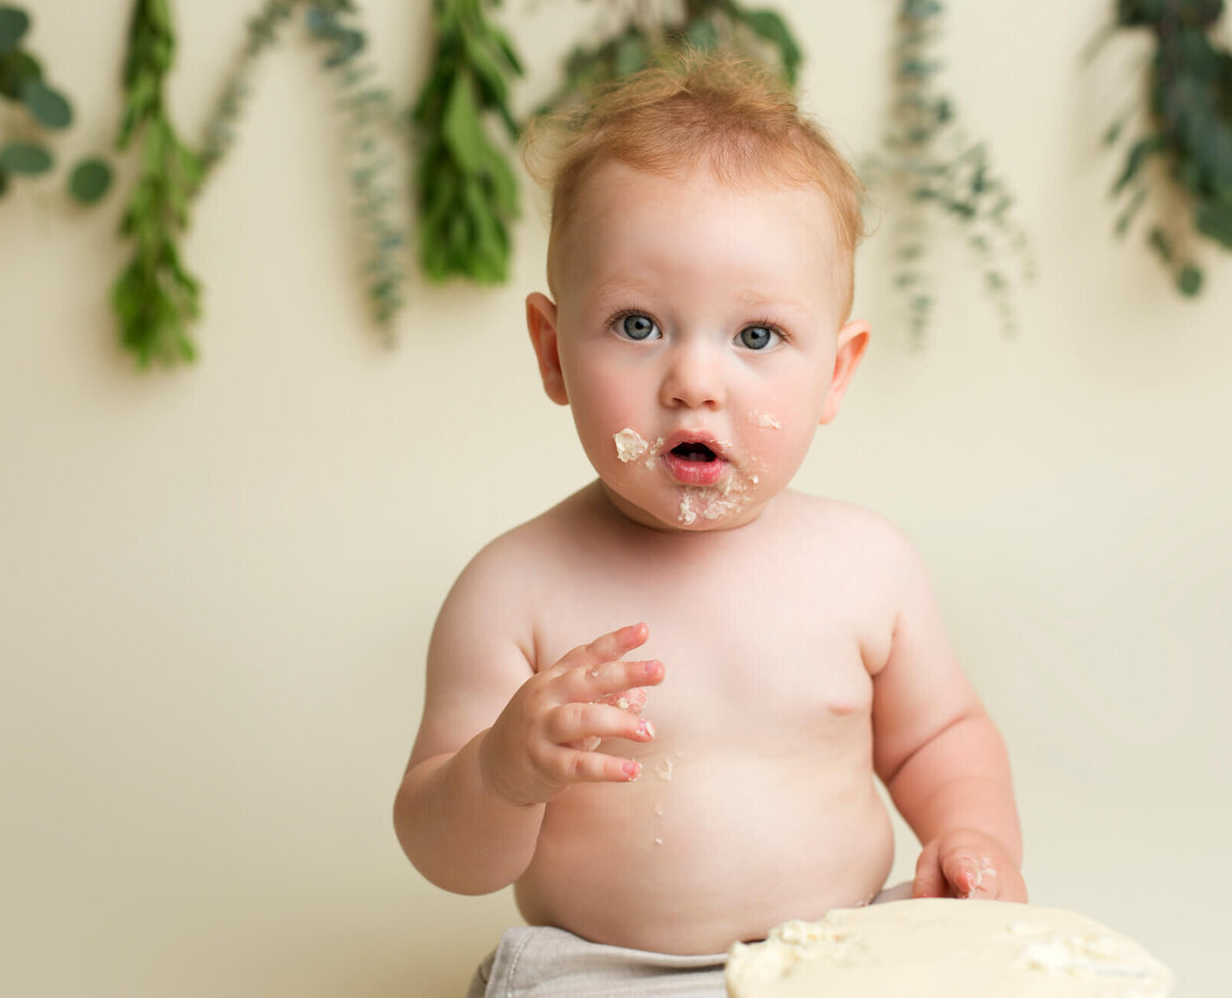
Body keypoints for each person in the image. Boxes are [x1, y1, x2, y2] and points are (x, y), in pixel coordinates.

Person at [393, 52, 1023, 998]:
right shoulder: (514, 592)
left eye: (757, 336)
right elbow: (446, 851)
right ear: (551, 349)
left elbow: (940, 738)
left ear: (836, 375)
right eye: (639, 324)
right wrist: (501, 769)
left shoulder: (866, 567)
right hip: (609, 968)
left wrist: (971, 836)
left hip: (844, 953)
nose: (695, 381)